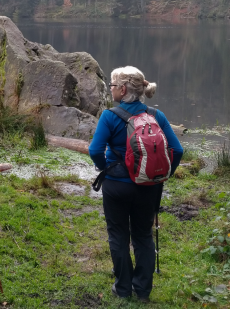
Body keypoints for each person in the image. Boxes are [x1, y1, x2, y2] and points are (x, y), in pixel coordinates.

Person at [88, 66, 183, 303]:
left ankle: (122, 288)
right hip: (148, 186)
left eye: (112, 85)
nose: (110, 89)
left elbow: (95, 150)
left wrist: (105, 167)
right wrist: (162, 175)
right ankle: (142, 290)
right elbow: (177, 150)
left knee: (118, 235)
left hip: (116, 186)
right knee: (143, 236)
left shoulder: (109, 116)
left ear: (122, 89)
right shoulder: (156, 116)